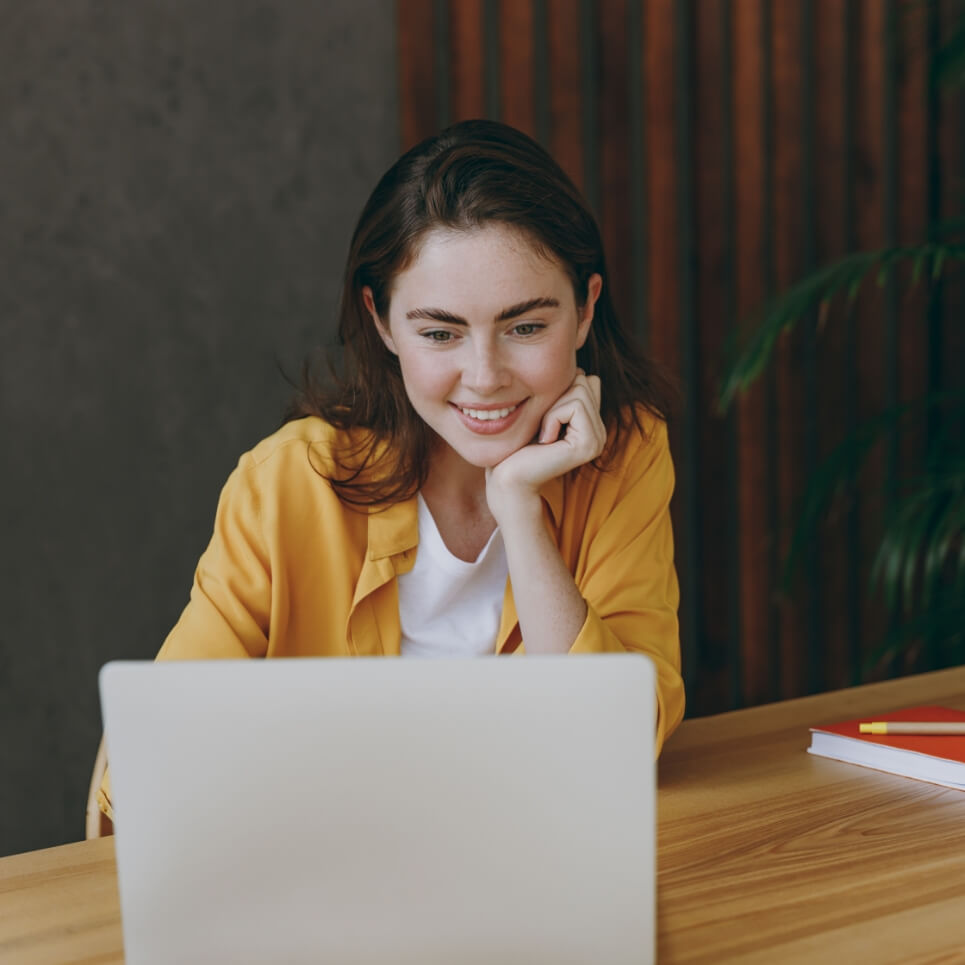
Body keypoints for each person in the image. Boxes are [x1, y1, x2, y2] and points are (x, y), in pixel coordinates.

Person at [97, 119, 684, 823]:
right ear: (381, 323)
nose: (484, 377)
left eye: (526, 327)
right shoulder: (288, 482)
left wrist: (520, 509)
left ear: (585, 310)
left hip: (537, 863)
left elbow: (617, 744)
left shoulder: (625, 454)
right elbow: (149, 755)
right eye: (439, 333)